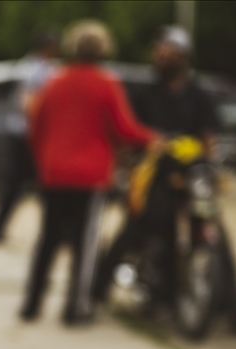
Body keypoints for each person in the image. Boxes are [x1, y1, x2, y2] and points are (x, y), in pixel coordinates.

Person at [99, 26, 236, 333]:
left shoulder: (199, 95)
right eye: (159, 51)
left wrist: (211, 161)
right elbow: (130, 138)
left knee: (217, 238)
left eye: (168, 52)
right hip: (156, 180)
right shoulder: (145, 94)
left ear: (183, 57)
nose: (161, 57)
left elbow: (210, 136)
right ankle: (96, 291)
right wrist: (129, 171)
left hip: (193, 179)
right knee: (135, 229)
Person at [23, 20, 157, 325]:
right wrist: (153, 138)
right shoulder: (106, 83)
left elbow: (36, 125)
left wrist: (43, 160)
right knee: (85, 242)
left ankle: (31, 303)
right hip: (90, 176)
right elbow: (124, 128)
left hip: (54, 172)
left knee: (48, 238)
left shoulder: (54, 81)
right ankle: (76, 307)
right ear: (103, 50)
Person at [0, 29, 58, 244]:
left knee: (26, 184)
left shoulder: (37, 67)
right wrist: (42, 130)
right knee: (24, 184)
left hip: (25, 133)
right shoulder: (34, 69)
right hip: (27, 134)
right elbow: (28, 102)